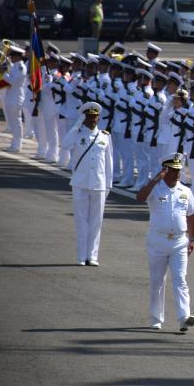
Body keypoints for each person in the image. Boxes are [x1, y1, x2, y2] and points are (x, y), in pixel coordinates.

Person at [135, 153, 194, 332]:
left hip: (179, 241)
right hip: (157, 240)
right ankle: (156, 318)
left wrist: (193, 239)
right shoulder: (155, 189)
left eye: (179, 170)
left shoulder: (186, 191)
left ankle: (184, 317)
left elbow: (191, 217)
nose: (177, 174)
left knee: (180, 279)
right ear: (165, 170)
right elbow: (140, 197)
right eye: (173, 170)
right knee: (157, 281)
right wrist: (155, 180)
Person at [60, 102, 114, 266]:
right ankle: (81, 256)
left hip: (98, 184)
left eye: (94, 116)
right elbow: (65, 144)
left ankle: (93, 256)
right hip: (80, 183)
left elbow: (109, 163)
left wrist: (108, 185)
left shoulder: (105, 136)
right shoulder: (77, 134)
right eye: (88, 116)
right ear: (84, 117)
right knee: (81, 220)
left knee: (96, 222)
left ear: (98, 118)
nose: (92, 119)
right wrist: (77, 123)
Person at [2, 45, 27, 152]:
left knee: (16, 122)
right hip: (11, 96)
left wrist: (3, 73)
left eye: (12, 56)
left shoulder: (21, 67)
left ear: (18, 56)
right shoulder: (15, 66)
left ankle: (17, 145)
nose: (11, 57)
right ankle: (14, 143)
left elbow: (13, 81)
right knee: (12, 122)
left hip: (16, 98)